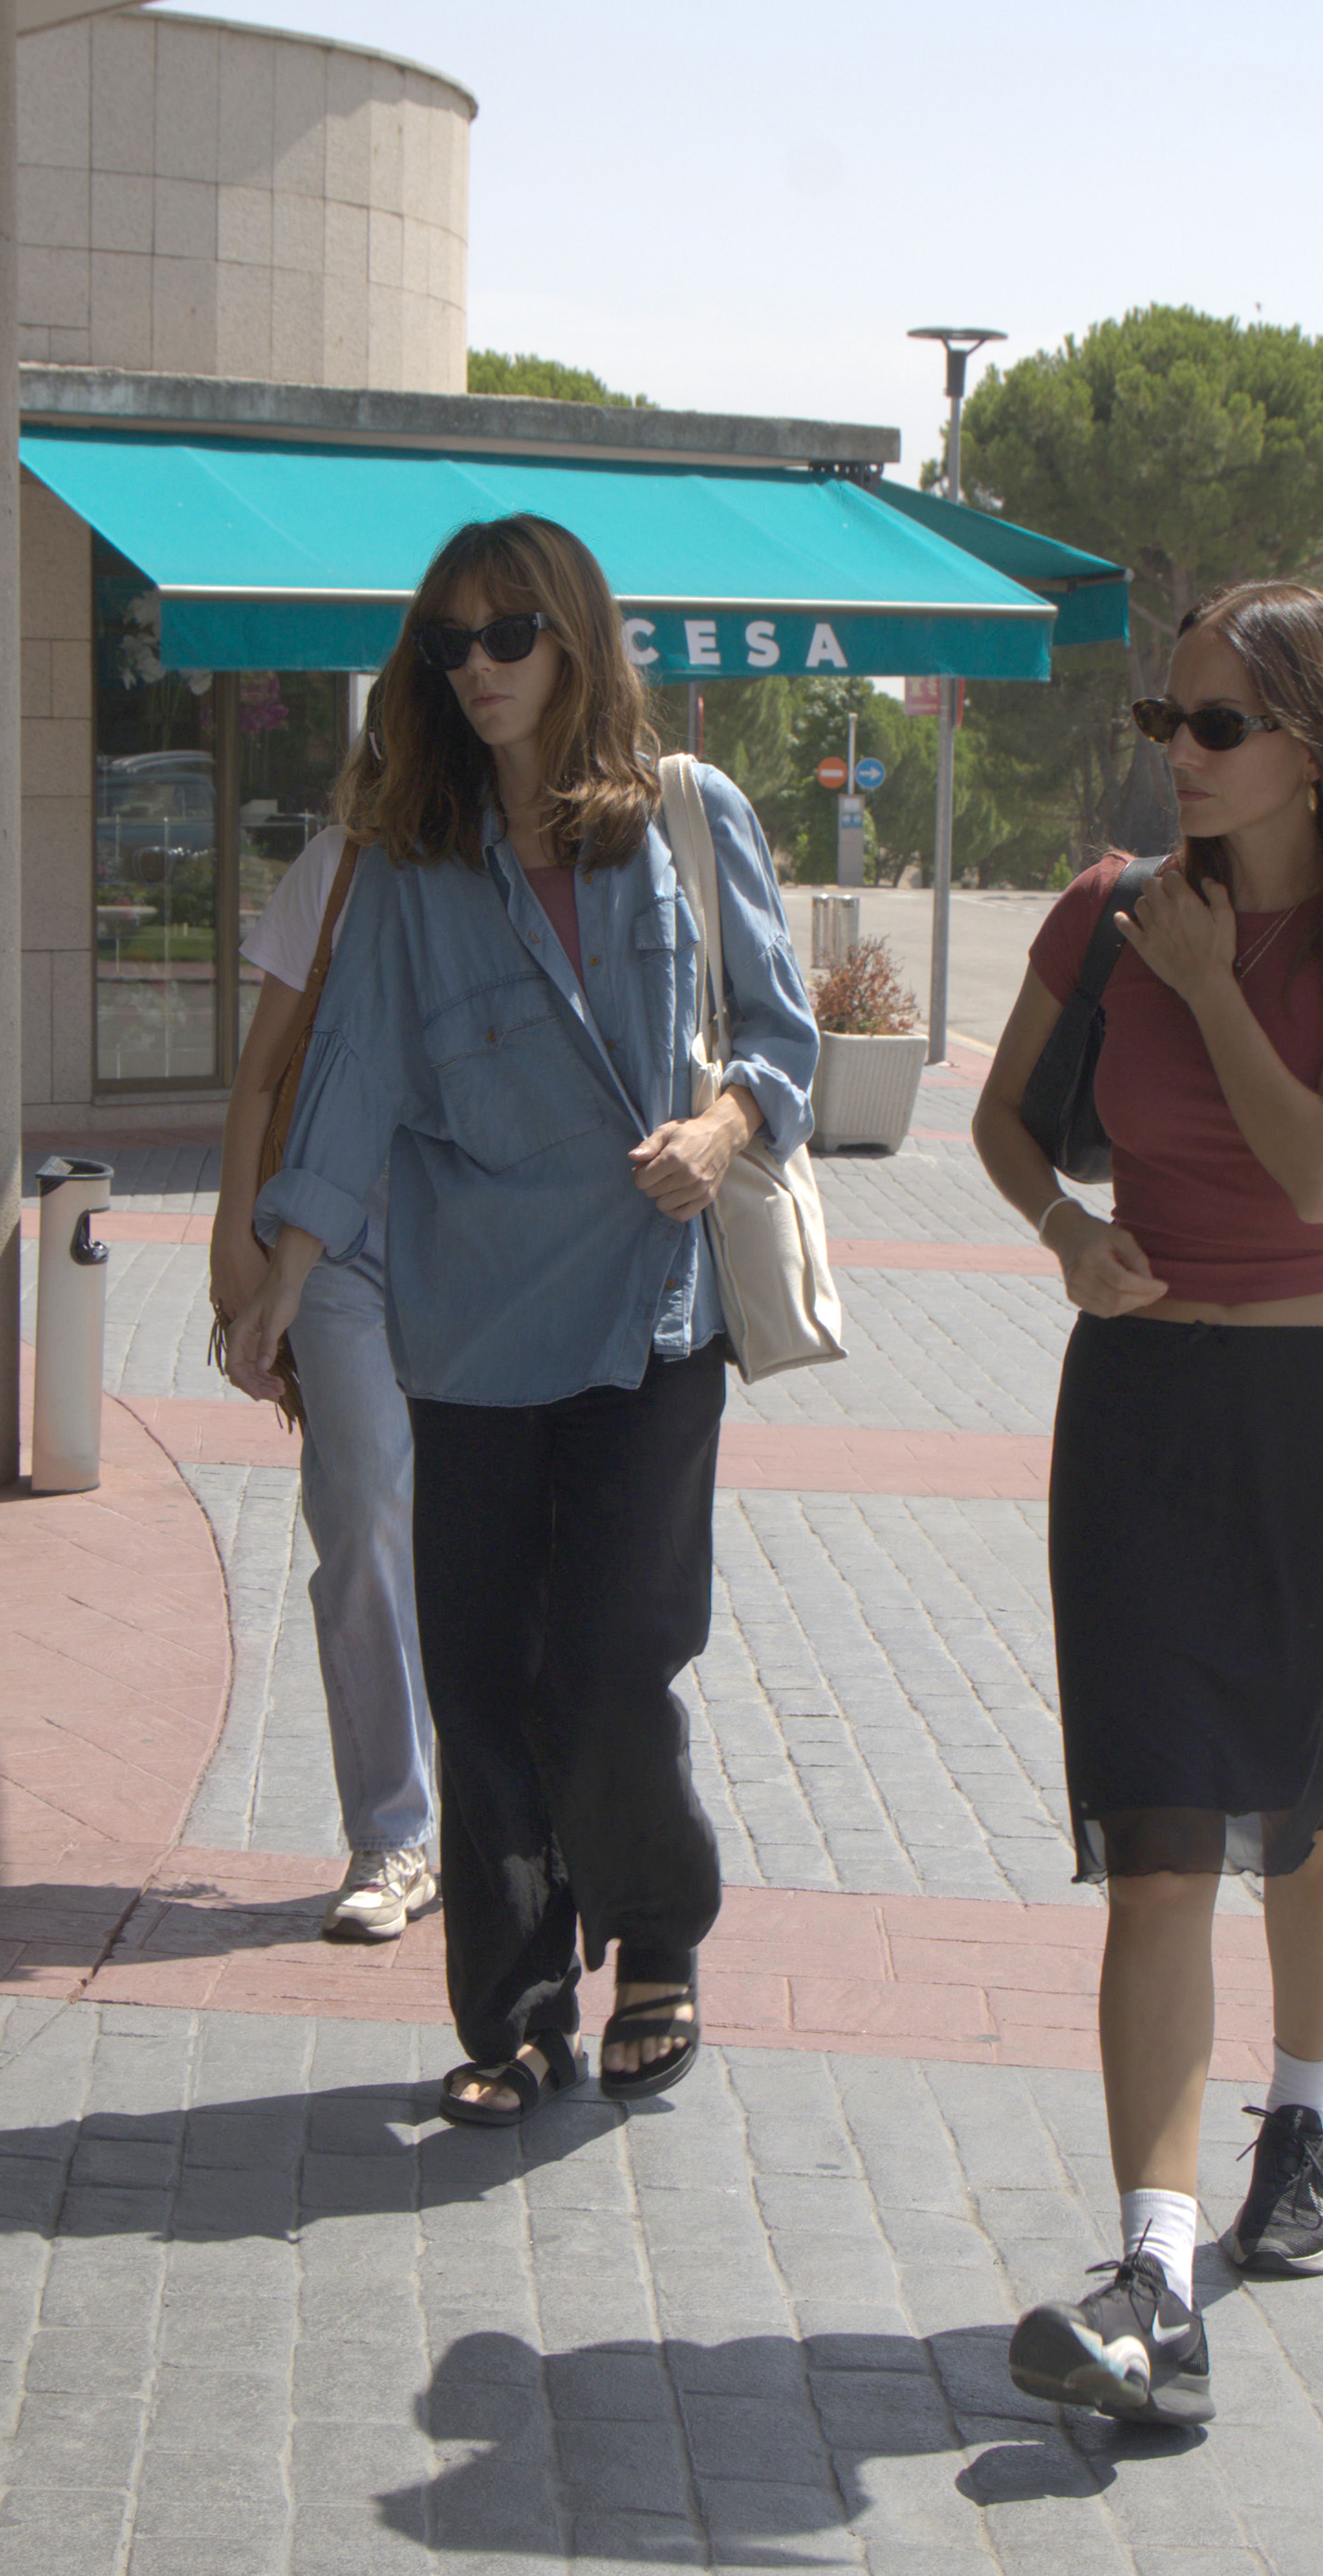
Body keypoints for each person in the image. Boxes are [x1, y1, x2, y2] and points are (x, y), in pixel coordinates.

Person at [973, 580, 1323, 2425]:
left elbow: (1321, 1174)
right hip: (1139, 1415)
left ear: (1312, 744)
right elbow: (1003, 1122)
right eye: (1165, 725)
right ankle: (1152, 2273)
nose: (1178, 760)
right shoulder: (1108, 916)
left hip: (1321, 1424)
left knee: (1311, 1820)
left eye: (1215, 728)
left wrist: (1210, 990)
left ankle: (1306, 2120)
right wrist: (1066, 1232)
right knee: (1157, 1844)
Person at [225, 512, 818, 2124]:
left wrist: (726, 1131)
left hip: (651, 1324)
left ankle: (662, 1943)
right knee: (485, 1679)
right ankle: (518, 2011)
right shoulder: (411, 867)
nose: (476, 669)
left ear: (574, 640)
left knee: (618, 1665)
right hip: (472, 1337)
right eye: (449, 644)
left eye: (507, 636)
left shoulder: (691, 820)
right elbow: (347, 1085)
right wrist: (278, 1276)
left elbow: (780, 1035)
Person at [212, 700, 439, 1944]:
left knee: (482, 1537)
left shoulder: (519, 869)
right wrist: (231, 1228)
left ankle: (511, 1827)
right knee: (360, 1518)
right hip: (337, 1240)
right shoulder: (338, 867)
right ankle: (393, 1835)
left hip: (486, 1253)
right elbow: (263, 1074)